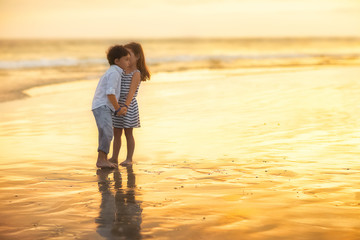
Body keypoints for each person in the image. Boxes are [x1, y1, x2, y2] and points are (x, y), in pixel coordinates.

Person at [109, 42, 150, 166]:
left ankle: (129, 158)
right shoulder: (121, 70)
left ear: (137, 56)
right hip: (118, 105)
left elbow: (131, 93)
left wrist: (125, 106)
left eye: (129, 55)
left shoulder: (136, 73)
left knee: (128, 133)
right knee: (116, 133)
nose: (127, 58)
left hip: (129, 106)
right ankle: (114, 157)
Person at [92, 45, 130, 168]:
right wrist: (118, 108)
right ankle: (101, 160)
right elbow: (110, 92)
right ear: (117, 61)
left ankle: (102, 159)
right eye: (126, 59)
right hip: (102, 105)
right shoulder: (114, 73)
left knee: (106, 132)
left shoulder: (115, 72)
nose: (128, 62)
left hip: (104, 106)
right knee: (107, 132)